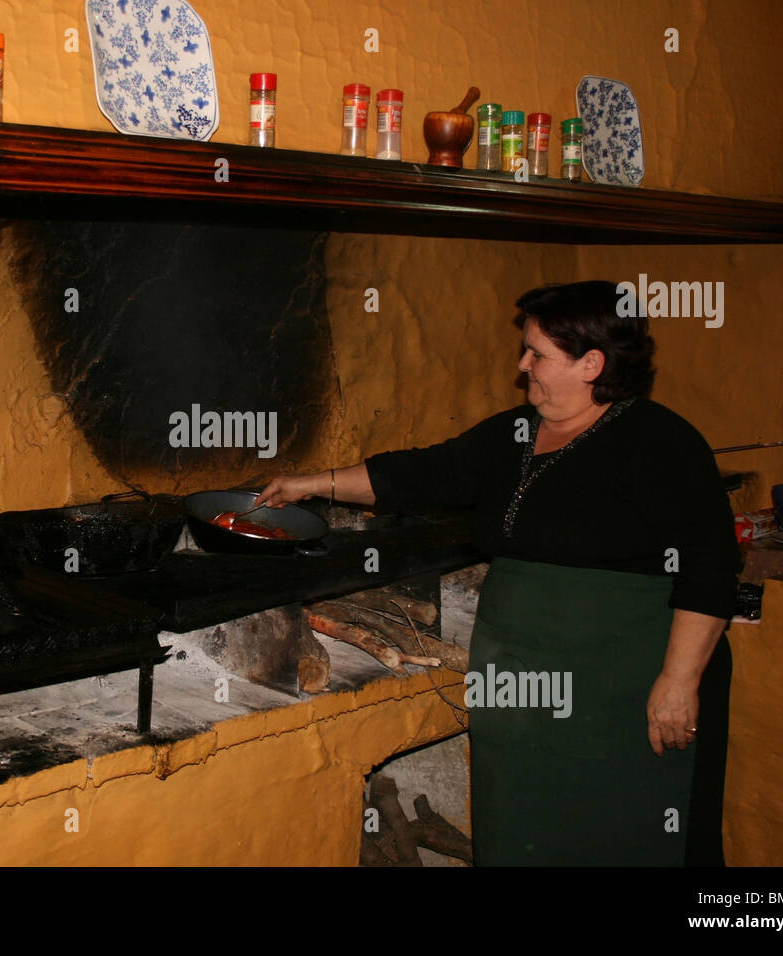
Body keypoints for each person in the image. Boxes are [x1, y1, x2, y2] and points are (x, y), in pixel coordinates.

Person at [256, 281, 740, 866]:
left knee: (621, 830)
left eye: (537, 353)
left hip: (624, 687)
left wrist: (680, 683)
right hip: (521, 686)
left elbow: (710, 567)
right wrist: (312, 483)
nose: (522, 364)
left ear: (592, 363)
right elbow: (426, 472)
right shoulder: (516, 432)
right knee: (523, 826)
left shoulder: (660, 442)